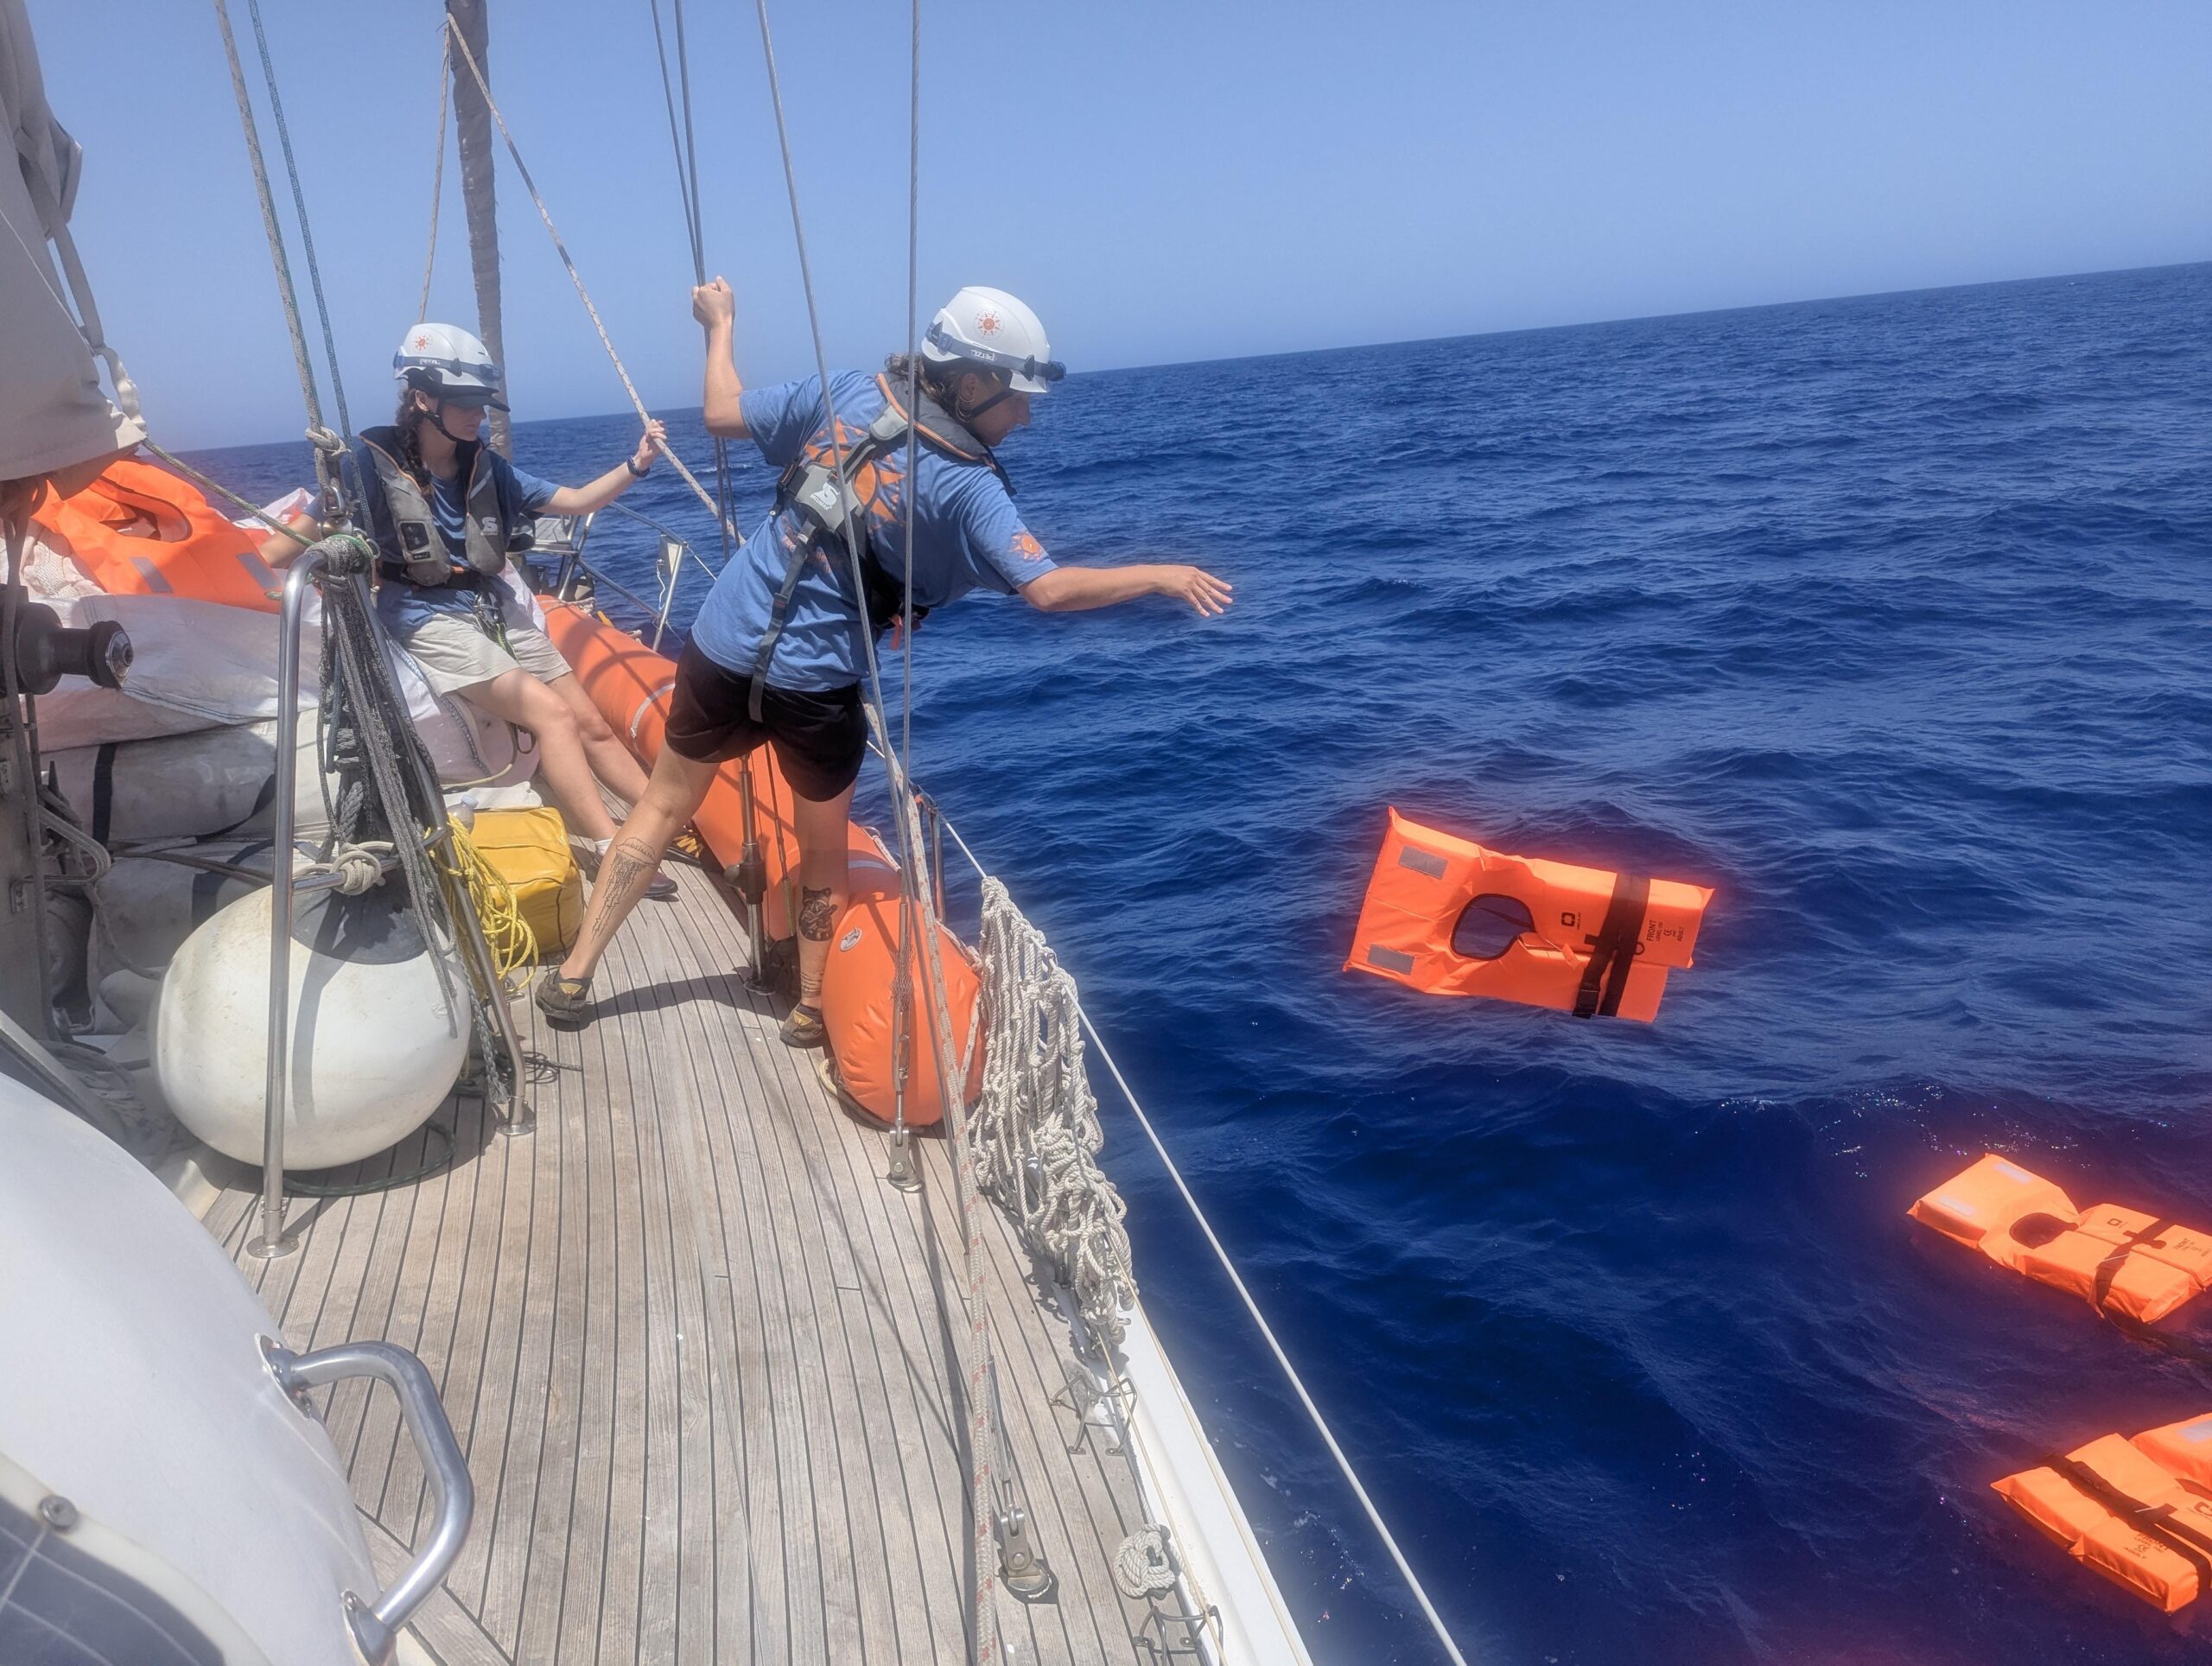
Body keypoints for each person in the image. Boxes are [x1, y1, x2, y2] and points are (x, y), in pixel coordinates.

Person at [535, 280, 1231, 1041]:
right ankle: (808, 1007)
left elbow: (720, 412)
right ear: (972, 386)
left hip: (722, 643)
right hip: (816, 683)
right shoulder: (970, 487)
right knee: (823, 848)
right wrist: (1161, 575)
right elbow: (1049, 589)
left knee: (661, 809)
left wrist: (721, 324)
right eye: (1016, 400)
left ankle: (574, 978)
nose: (1025, 418)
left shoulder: (843, 391)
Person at [354, 322, 675, 896]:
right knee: (552, 715)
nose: (478, 415)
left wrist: (638, 462)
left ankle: (663, 823)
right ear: (423, 400)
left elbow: (575, 502)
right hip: (423, 614)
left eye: (482, 404)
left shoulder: (487, 467)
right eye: (466, 404)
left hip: (489, 603)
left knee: (591, 722)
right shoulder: (368, 468)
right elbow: (312, 528)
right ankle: (612, 849)